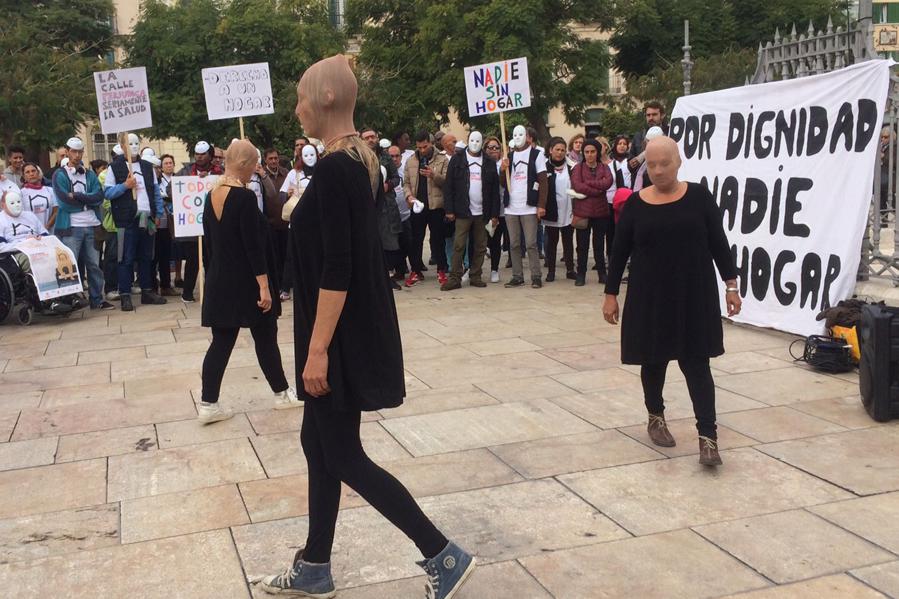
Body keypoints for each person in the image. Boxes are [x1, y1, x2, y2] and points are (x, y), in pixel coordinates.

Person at [260, 55, 475, 599]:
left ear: (327, 100)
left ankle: (441, 554)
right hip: (348, 328)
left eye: (301, 98)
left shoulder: (337, 168)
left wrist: (316, 350)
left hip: (338, 335)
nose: (296, 109)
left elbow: (338, 268)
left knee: (342, 455)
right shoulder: (356, 162)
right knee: (320, 444)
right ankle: (314, 566)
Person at [603, 137, 741, 467]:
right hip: (650, 297)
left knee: (697, 365)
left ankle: (708, 438)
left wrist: (731, 285)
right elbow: (619, 252)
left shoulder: (699, 198)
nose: (659, 170)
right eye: (651, 165)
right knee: (653, 361)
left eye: (665, 163)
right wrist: (610, 295)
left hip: (693, 295)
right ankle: (655, 416)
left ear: (679, 162)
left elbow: (719, 243)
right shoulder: (635, 205)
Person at [197, 139, 300, 425]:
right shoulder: (242, 198)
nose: (256, 169)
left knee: (221, 342)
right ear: (242, 164)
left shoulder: (212, 194)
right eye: (254, 163)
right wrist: (265, 287)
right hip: (247, 283)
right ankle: (282, 394)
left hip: (221, 280)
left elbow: (210, 245)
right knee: (266, 337)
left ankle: (208, 402)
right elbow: (253, 247)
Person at [103, 134, 167, 311]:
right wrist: (125, 186)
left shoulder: (147, 167)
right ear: (122, 146)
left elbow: (155, 191)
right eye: (129, 143)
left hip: (147, 216)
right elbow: (107, 193)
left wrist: (158, 213)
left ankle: (147, 290)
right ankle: (125, 294)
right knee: (125, 257)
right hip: (126, 219)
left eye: (136, 143)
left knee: (147, 256)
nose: (133, 147)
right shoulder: (114, 168)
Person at [52, 137, 114, 310]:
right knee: (69, 266)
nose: (77, 155)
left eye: (80, 151)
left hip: (92, 225)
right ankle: (69, 299)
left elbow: (99, 196)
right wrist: (87, 200)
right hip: (71, 227)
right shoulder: (60, 174)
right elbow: (64, 201)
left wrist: (78, 197)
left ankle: (97, 299)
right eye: (74, 151)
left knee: (94, 265)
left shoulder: (89, 174)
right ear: (68, 151)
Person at [442, 131, 500, 290]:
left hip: (482, 212)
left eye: (478, 140)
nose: (475, 143)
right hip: (462, 211)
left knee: (481, 246)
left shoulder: (489, 161)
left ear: (482, 142)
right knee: (459, 245)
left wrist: (494, 214)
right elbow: (449, 186)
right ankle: (454, 277)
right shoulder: (457, 159)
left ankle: (476, 275)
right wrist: (450, 209)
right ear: (468, 141)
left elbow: (495, 190)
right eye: (472, 140)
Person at [501, 125, 547, 288]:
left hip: (529, 206)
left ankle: (536, 276)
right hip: (511, 207)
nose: (518, 137)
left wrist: (541, 205)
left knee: (531, 244)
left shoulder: (537, 155)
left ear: (528, 136)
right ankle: (517, 275)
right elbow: (503, 182)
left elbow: (543, 181)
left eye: (522, 134)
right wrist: (503, 169)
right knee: (513, 244)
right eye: (515, 134)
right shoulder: (509, 156)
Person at [177, 141, 222, 303]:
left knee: (212, 259)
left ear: (209, 155)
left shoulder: (219, 172)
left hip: (213, 226)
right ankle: (187, 292)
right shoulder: (186, 171)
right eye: (197, 154)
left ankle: (212, 291)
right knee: (192, 261)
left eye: (202, 154)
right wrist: (192, 181)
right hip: (193, 226)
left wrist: (209, 179)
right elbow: (172, 189)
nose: (199, 157)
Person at [403, 130, 449, 287]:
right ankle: (416, 270)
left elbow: (447, 182)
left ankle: (441, 269)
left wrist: (433, 175)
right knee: (416, 240)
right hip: (418, 206)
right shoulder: (411, 160)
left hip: (436, 206)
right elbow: (406, 183)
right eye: (420, 147)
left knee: (438, 239)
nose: (422, 150)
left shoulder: (442, 159)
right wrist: (409, 197)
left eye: (425, 147)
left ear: (431, 143)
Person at [570, 139, 612, 286]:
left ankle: (602, 273)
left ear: (597, 152)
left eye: (592, 151)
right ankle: (581, 274)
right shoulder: (577, 168)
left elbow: (608, 183)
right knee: (582, 245)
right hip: (583, 212)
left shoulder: (604, 167)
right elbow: (577, 185)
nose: (589, 155)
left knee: (599, 245)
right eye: (586, 152)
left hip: (600, 212)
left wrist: (589, 184)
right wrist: (597, 189)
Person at [543, 137, 575, 282]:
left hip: (568, 209)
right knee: (552, 242)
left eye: (563, 150)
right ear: (550, 150)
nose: (560, 153)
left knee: (568, 241)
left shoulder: (572, 168)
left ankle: (570, 269)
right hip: (551, 210)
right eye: (557, 149)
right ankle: (551, 271)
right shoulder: (543, 168)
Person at [483, 135, 508, 283]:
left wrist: (504, 171)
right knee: (485, 239)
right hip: (487, 207)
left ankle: (494, 269)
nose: (493, 150)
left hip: (502, 209)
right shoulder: (482, 164)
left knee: (496, 240)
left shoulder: (503, 164)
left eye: (496, 147)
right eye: (490, 147)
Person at [388, 144, 412, 281]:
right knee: (394, 244)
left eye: (397, 156)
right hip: (391, 216)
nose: (395, 159)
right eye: (392, 156)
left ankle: (403, 266)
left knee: (407, 242)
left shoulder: (405, 170)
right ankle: (399, 270)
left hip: (406, 214)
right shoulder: (385, 171)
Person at [629, 101, 668, 170]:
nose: (651, 118)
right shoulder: (638, 136)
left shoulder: (670, 134)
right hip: (643, 179)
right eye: (648, 115)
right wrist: (633, 163)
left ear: (662, 115)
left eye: (654, 114)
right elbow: (630, 166)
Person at [20, 163, 57, 232]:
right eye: (27, 172)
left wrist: (46, 227)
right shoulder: (21, 193)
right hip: (30, 234)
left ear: (38, 173)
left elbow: (56, 211)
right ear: (24, 176)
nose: (31, 174)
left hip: (49, 232)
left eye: (33, 171)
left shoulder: (50, 190)